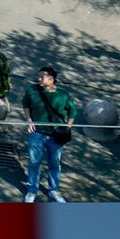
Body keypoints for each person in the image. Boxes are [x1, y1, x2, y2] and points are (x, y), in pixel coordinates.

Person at [24, 63, 77, 201]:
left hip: (56, 135)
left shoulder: (63, 95)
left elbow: (73, 111)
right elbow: (26, 104)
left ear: (51, 80)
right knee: (34, 162)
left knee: (54, 163)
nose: (39, 79)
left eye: (42, 77)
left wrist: (68, 127)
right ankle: (32, 189)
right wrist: (29, 120)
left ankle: (54, 190)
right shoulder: (32, 90)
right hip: (37, 133)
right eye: (39, 76)